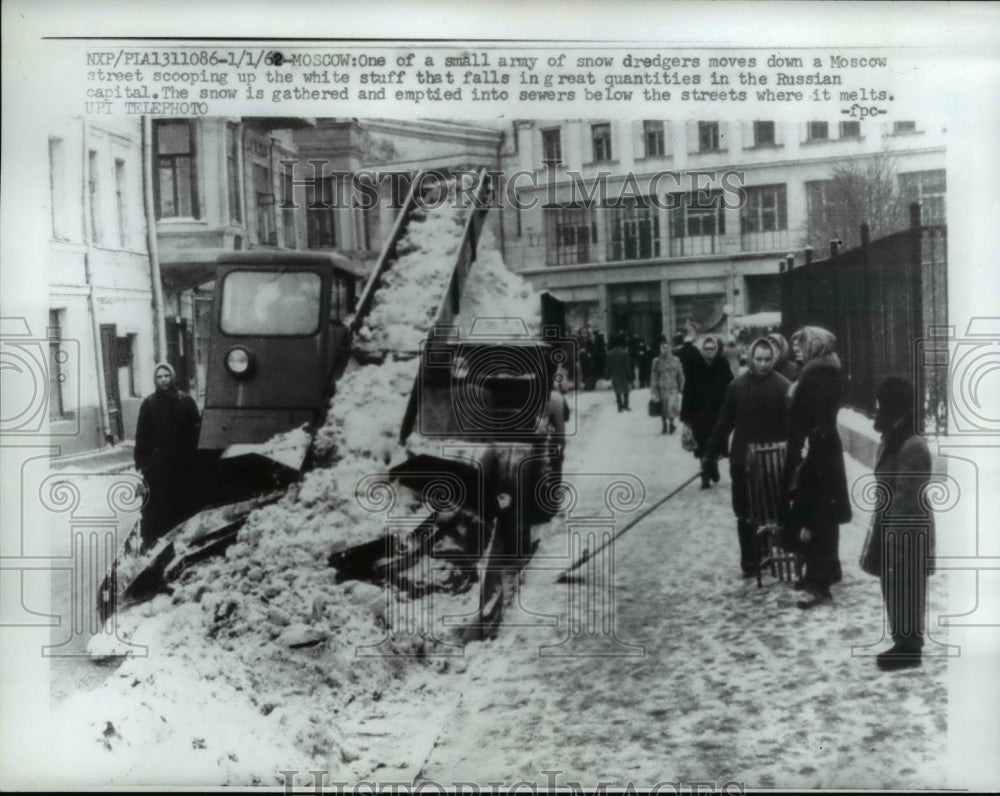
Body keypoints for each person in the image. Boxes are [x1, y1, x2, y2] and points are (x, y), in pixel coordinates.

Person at [860, 377, 935, 671]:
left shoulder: (911, 444)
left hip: (907, 527)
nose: (877, 411)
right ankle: (901, 641)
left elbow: (908, 497)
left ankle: (910, 648)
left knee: (907, 584)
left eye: (882, 405)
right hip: (891, 522)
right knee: (893, 584)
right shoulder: (894, 436)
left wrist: (896, 537)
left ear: (895, 408)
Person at [704, 338, 791, 576]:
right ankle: (750, 560)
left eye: (767, 359)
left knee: (771, 510)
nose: (762, 364)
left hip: (772, 461)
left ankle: (770, 553)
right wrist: (709, 455)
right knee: (744, 512)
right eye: (758, 359)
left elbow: (791, 426)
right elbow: (724, 423)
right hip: (743, 460)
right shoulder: (737, 387)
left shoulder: (783, 386)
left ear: (773, 359)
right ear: (750, 358)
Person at [781, 326, 852, 609]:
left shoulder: (815, 374)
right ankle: (824, 573)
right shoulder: (823, 370)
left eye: (802, 343)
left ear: (816, 345)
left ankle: (816, 582)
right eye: (794, 344)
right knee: (824, 513)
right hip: (823, 447)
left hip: (815, 449)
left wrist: (801, 451)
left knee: (813, 513)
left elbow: (806, 416)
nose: (796, 348)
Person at [134, 362, 201, 551]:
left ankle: (182, 544)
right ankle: (152, 545)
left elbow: (196, 432)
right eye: (159, 377)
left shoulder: (186, 402)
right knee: (155, 507)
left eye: (166, 376)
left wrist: (197, 460)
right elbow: (142, 435)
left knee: (182, 503)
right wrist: (142, 461)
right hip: (158, 466)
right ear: (155, 380)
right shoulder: (149, 404)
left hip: (182, 464)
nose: (163, 380)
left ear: (172, 377)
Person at [678, 333, 734, 488]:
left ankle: (713, 466)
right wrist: (686, 415)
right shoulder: (694, 365)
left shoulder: (722, 364)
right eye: (706, 348)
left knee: (715, 444)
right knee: (702, 446)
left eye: (712, 348)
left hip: (718, 415)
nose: (709, 351)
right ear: (702, 349)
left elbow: (731, 387)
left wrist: (732, 409)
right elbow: (688, 391)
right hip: (699, 415)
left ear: (716, 349)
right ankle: (705, 475)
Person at [649, 340, 684, 434]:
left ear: (670, 348)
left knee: (672, 407)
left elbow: (680, 374)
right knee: (663, 408)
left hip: (673, 388)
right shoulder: (656, 361)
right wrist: (653, 389)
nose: (666, 350)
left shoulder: (676, 360)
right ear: (660, 349)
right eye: (663, 348)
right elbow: (654, 376)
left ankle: (671, 424)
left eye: (667, 347)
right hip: (661, 388)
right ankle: (664, 425)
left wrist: (682, 386)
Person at [605, 334, 632, 412]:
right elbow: (627, 366)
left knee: (617, 390)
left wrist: (608, 374)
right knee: (626, 389)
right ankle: (626, 404)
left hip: (615, 374)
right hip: (623, 374)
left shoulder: (609, 353)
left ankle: (619, 406)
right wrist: (629, 376)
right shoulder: (624, 353)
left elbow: (608, 366)